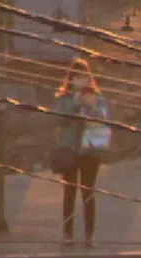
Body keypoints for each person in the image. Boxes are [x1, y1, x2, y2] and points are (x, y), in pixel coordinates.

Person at [54, 59, 111, 246]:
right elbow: (61, 121)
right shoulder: (64, 98)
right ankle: (67, 233)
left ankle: (89, 234)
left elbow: (103, 118)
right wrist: (75, 104)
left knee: (88, 191)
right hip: (70, 148)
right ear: (71, 79)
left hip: (90, 149)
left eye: (84, 77)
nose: (81, 81)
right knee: (69, 192)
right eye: (77, 77)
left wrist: (92, 106)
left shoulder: (97, 96)